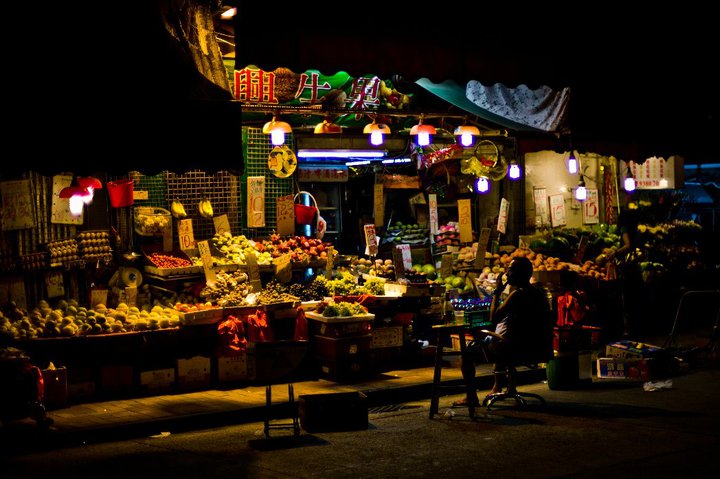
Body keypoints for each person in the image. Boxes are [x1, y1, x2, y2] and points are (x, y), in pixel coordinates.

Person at [455, 256, 552, 405]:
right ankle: (502, 386)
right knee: (500, 338)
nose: (507, 274)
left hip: (514, 348)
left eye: (511, 271)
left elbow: (493, 317)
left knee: (466, 354)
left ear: (521, 274)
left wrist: (497, 292)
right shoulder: (540, 295)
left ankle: (471, 397)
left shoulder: (517, 295)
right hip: (535, 348)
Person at [608, 207, 643, 337]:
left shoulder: (624, 228)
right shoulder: (635, 229)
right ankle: (636, 328)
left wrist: (615, 253)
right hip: (634, 267)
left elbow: (627, 245)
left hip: (627, 267)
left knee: (627, 299)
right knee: (635, 298)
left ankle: (628, 330)